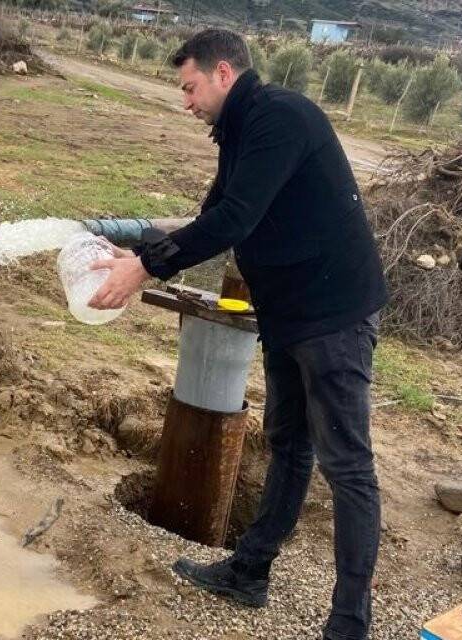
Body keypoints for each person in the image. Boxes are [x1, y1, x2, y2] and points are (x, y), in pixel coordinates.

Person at [87, 28, 388, 640]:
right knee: (288, 445)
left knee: (347, 464)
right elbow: (210, 216)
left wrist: (144, 269)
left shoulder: (281, 118)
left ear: (224, 73)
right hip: (286, 315)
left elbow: (235, 218)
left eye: (190, 87)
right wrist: (128, 249)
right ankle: (249, 572)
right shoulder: (242, 129)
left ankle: (350, 623)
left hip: (333, 315)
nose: (186, 101)